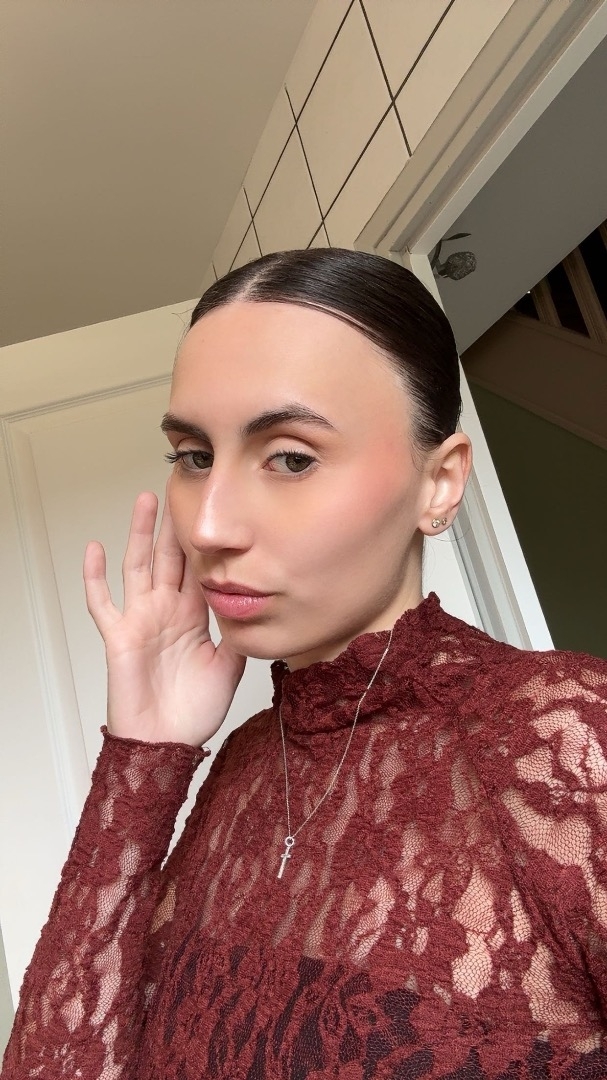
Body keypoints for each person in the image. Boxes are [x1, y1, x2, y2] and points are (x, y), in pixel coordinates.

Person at [2, 248, 606, 1080]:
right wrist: (145, 754)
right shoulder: (244, 763)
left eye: (290, 456)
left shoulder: (572, 740)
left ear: (438, 482)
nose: (208, 526)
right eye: (193, 456)